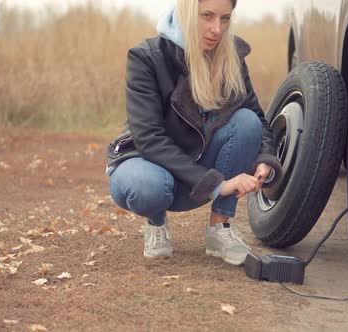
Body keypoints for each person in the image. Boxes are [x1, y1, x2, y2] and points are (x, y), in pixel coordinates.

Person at [106, 0, 282, 266]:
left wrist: (266, 159)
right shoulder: (146, 57)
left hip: (195, 170)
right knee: (149, 188)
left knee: (246, 122)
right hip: (145, 163)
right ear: (187, 11)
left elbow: (256, 117)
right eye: (207, 16)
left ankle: (219, 228)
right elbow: (149, 139)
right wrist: (217, 184)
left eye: (225, 18)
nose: (217, 29)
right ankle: (156, 223)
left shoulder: (230, 56)